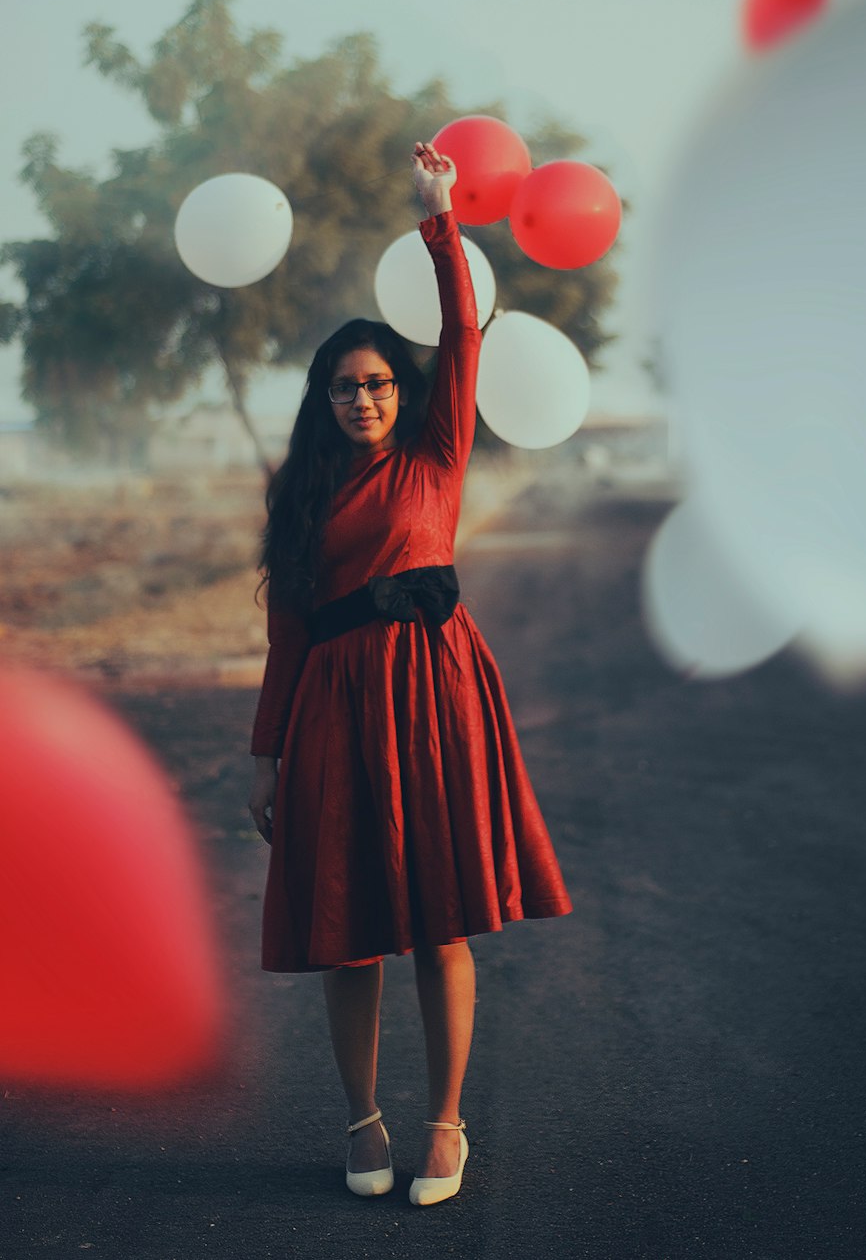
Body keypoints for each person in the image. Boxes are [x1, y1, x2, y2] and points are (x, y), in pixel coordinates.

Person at [247, 141, 573, 1207]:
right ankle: (361, 1117)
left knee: (438, 922)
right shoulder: (299, 499)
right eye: (344, 388)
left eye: (379, 383)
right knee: (350, 930)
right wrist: (266, 753)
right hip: (338, 706)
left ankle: (444, 1123)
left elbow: (463, 336)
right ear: (323, 399)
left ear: (403, 390)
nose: (363, 400)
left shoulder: (435, 455)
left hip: (437, 698)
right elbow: (289, 638)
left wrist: (442, 224)